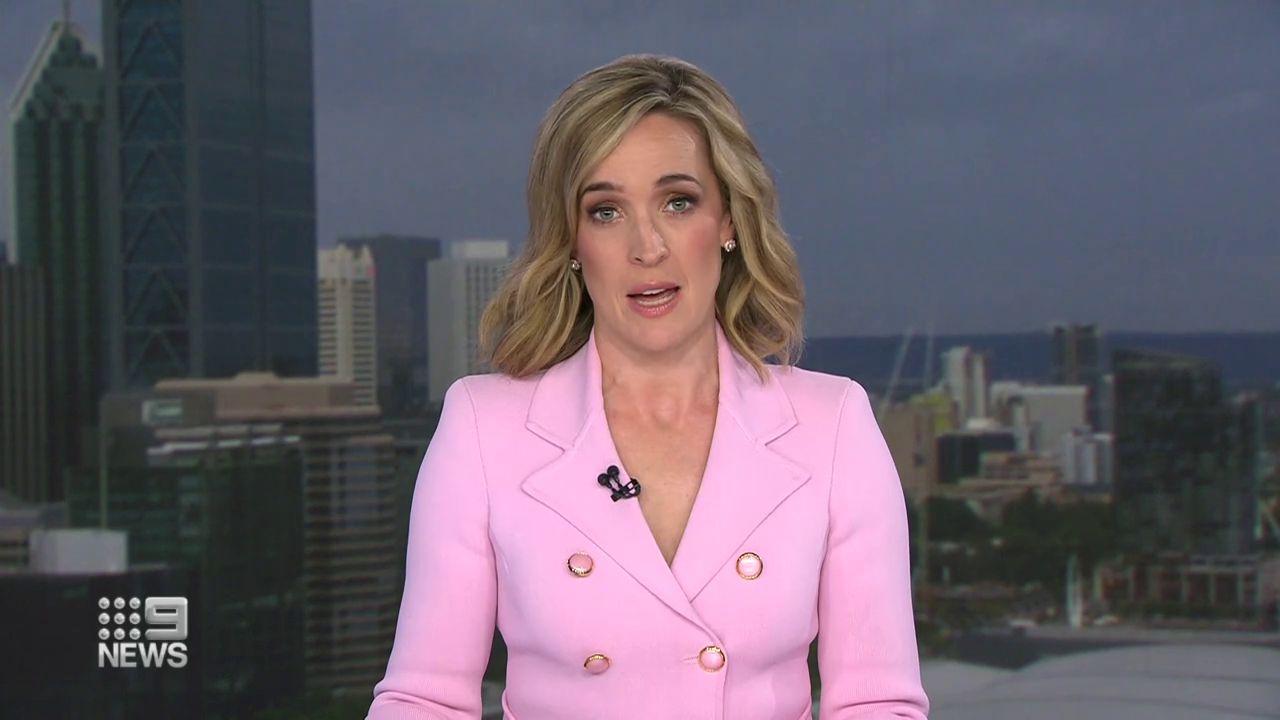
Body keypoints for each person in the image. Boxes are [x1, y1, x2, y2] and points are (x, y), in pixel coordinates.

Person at [367, 54, 929, 720]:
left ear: (728, 221)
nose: (647, 246)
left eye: (678, 202)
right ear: (571, 241)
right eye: (606, 211)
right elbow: (423, 700)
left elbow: (876, 702)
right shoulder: (482, 428)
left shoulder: (832, 426)